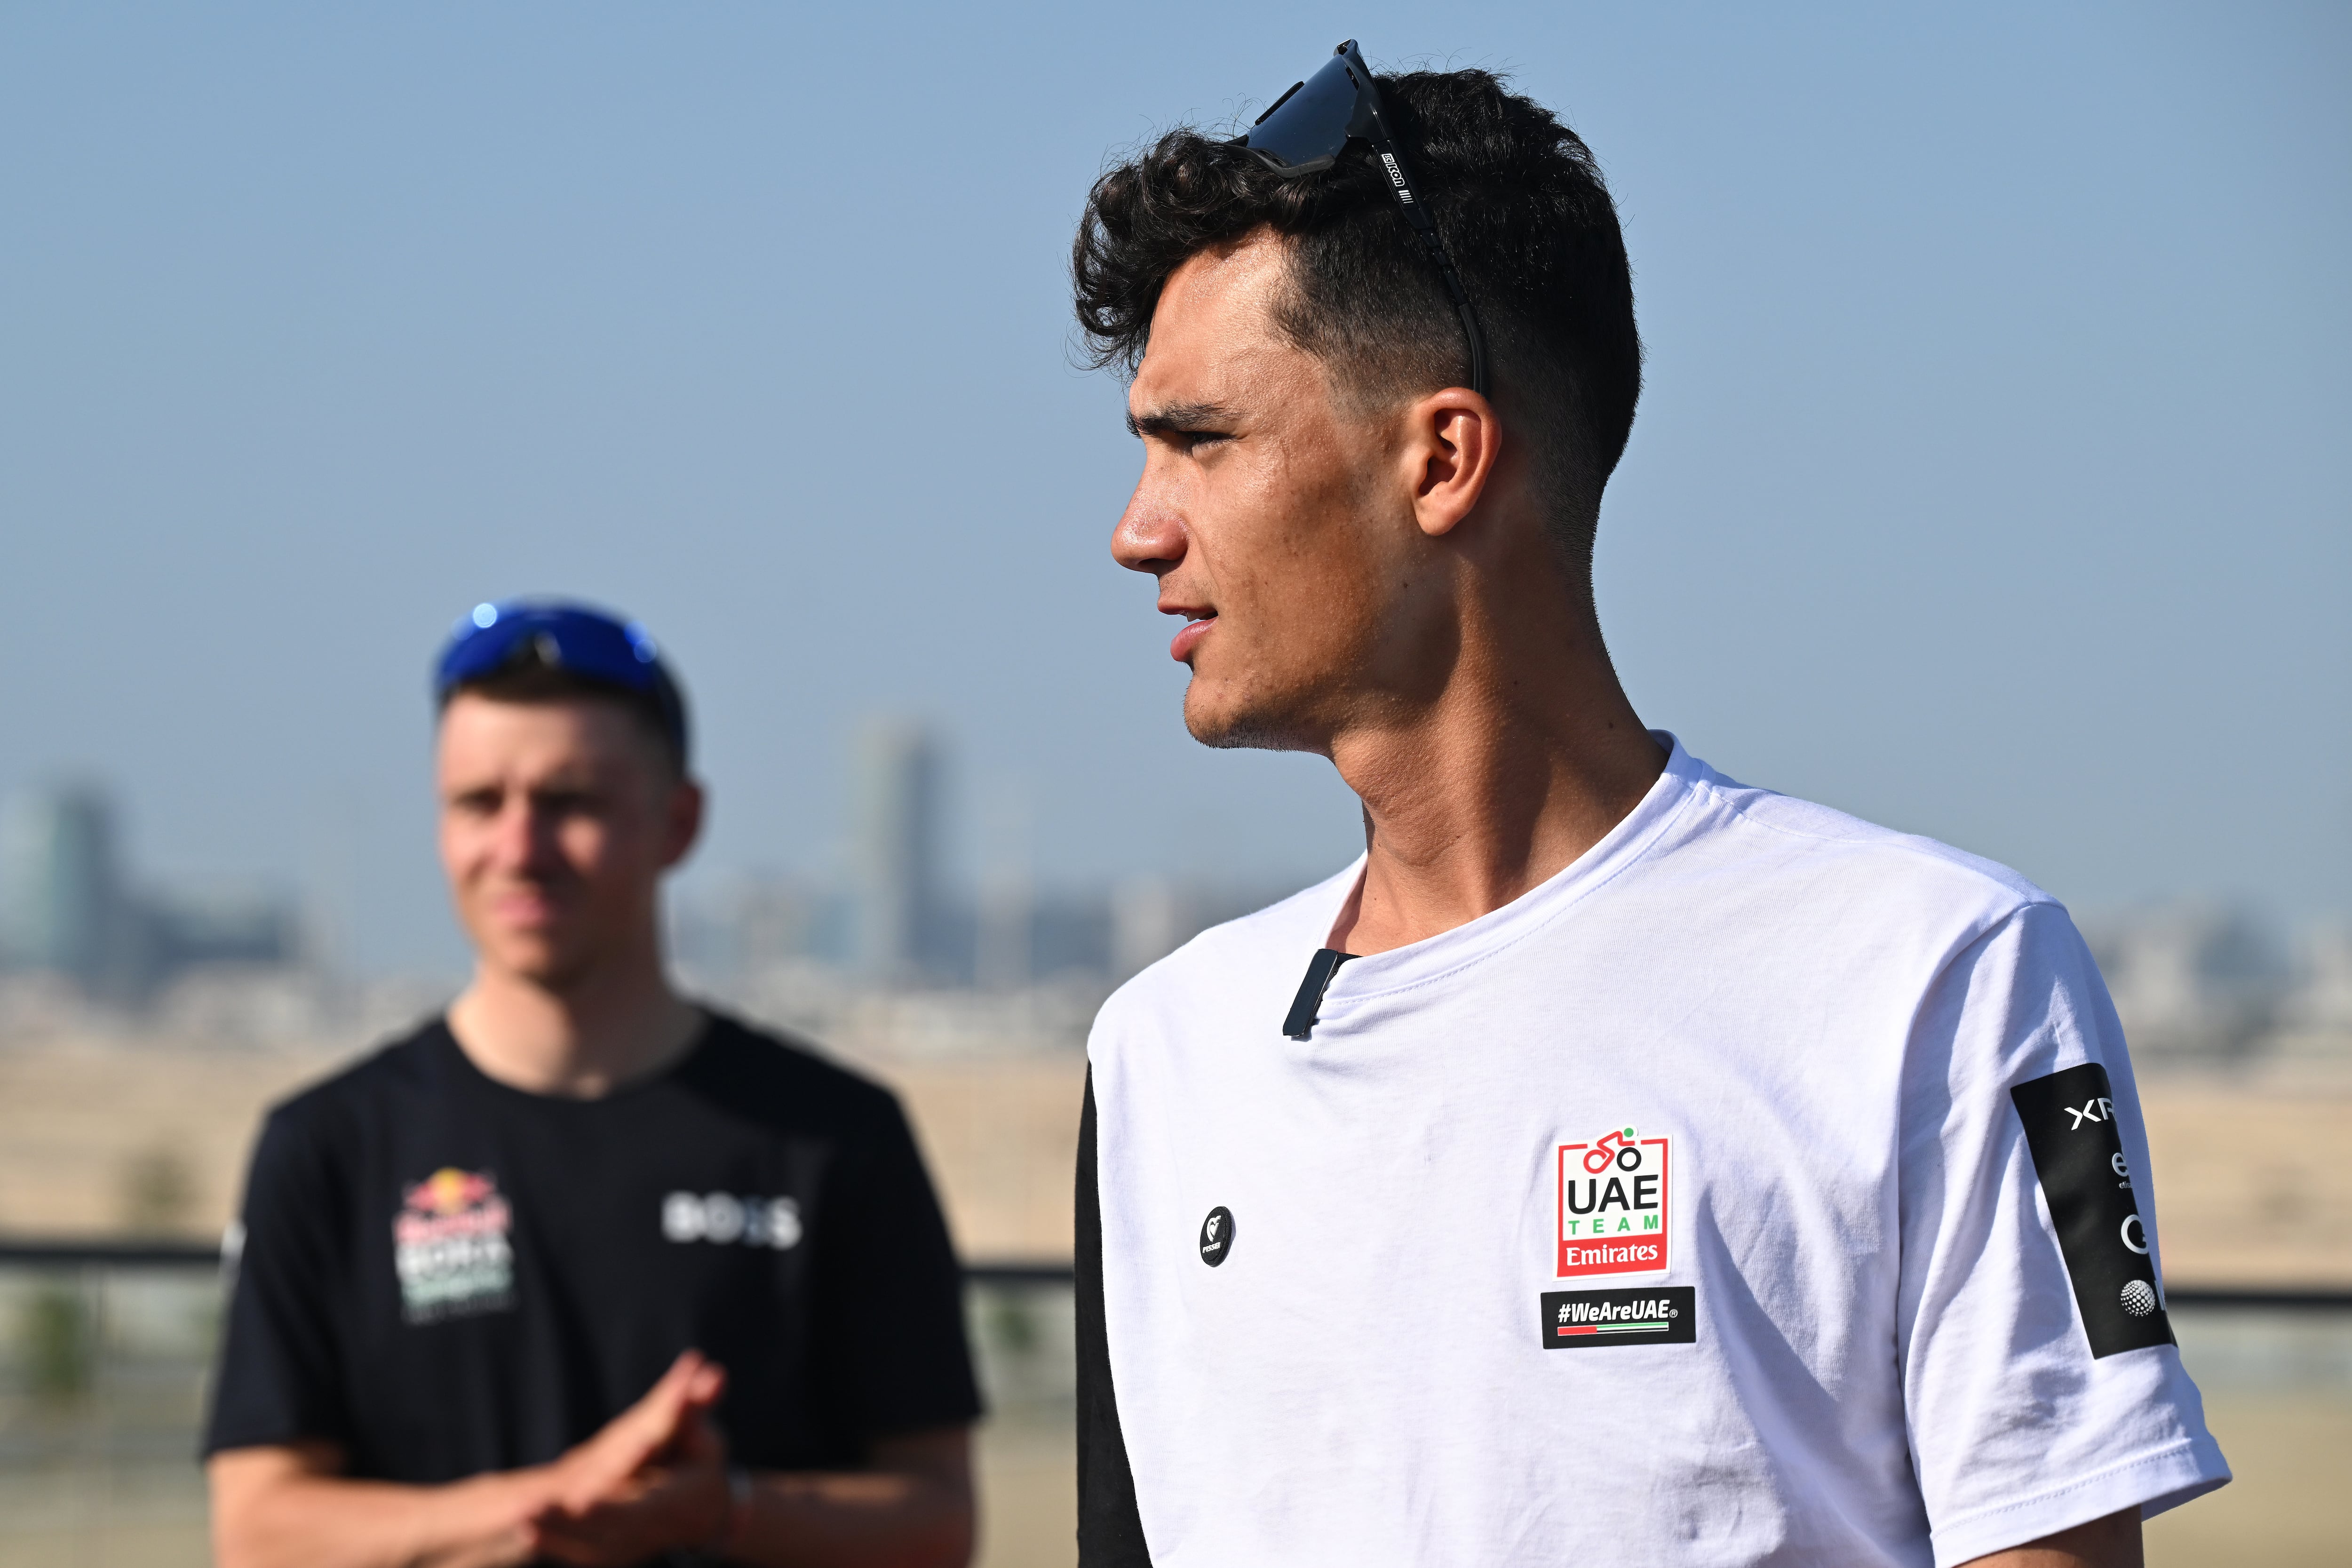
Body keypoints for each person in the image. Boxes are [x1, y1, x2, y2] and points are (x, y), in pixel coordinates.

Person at [1068, 42, 2228, 1568]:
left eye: (1199, 441)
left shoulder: (1958, 973)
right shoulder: (1162, 1053)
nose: (1135, 530)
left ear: (1445, 457)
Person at [204, 600, 981, 1568]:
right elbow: (260, 1531)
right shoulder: (326, 1147)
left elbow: (939, 1518)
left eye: (571, 800)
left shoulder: (836, 1135)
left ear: (679, 821)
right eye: (479, 802)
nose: (520, 848)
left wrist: (724, 1508)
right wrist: (562, 1498)